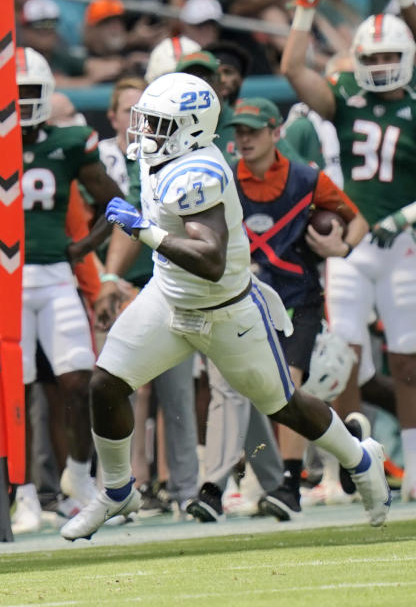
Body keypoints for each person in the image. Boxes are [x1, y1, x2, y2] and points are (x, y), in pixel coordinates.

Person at [59, 72, 391, 542]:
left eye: (158, 124)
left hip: (225, 310)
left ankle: (361, 458)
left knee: (285, 406)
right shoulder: (164, 158)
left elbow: (211, 261)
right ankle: (117, 491)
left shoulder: (199, 172)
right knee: (106, 383)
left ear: (190, 129)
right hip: (168, 299)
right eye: (146, 122)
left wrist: (145, 233)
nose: (147, 133)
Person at [0, 47, 123, 533]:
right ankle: (19, 494)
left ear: (47, 94)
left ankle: (76, 474)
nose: (23, 103)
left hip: (55, 276)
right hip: (2, 280)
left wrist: (80, 249)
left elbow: (114, 202)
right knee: (9, 391)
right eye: (14, 94)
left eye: (30, 93)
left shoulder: (71, 142)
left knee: (79, 379)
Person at [185, 97, 368, 522]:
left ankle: (289, 484)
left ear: (275, 132)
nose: (244, 139)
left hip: (297, 298)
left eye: (252, 131)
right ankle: (217, 486)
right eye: (239, 132)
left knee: (289, 388)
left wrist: (341, 246)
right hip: (240, 301)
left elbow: (354, 218)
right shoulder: (224, 180)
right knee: (230, 392)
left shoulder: (306, 178)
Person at [281, 0, 416, 501]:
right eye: (373, 59)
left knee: (407, 360)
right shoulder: (348, 97)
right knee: (343, 359)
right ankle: (353, 469)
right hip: (353, 247)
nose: (381, 67)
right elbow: (293, 68)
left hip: (405, 245)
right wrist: (306, 6)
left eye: (390, 57)